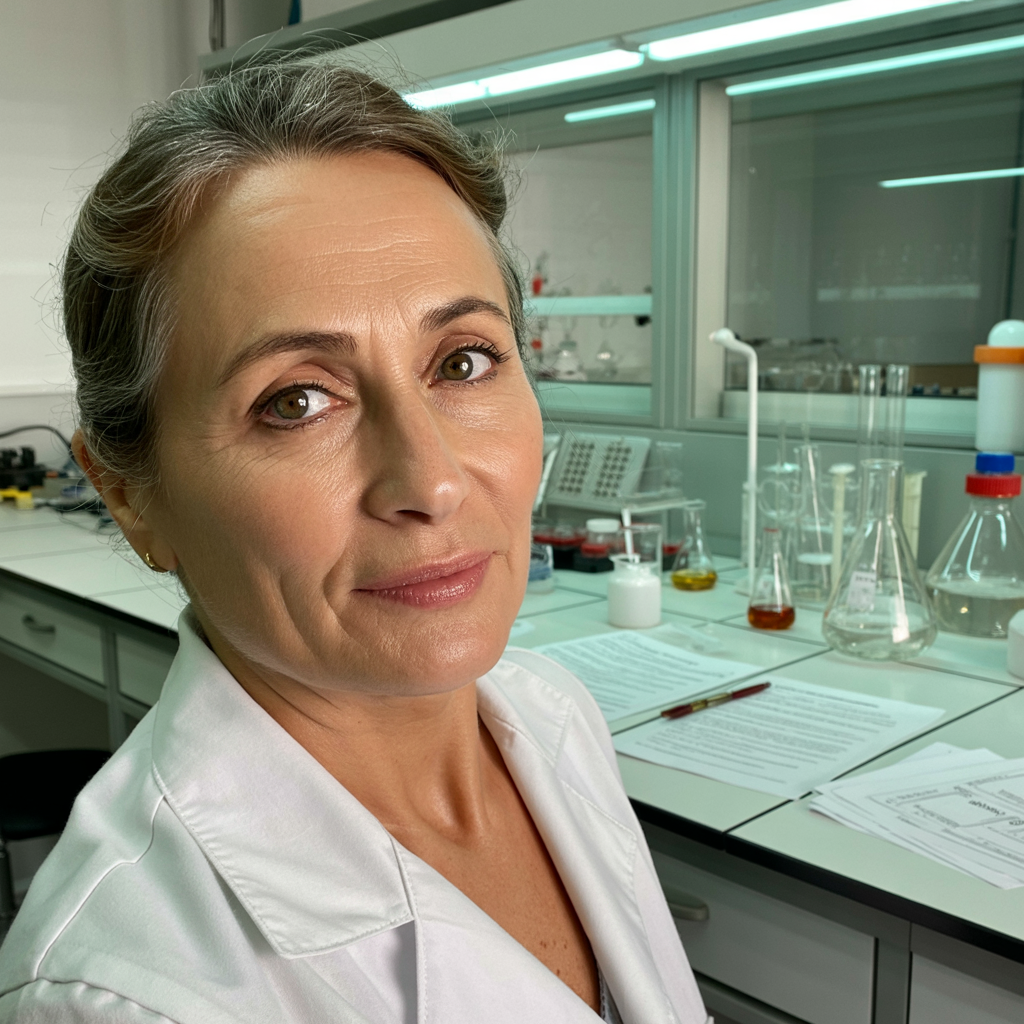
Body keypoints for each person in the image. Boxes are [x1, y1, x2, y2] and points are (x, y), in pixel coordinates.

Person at [0, 59, 710, 1024]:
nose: (432, 483)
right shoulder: (125, 996)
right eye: (297, 401)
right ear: (130, 496)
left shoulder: (553, 715)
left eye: (463, 361)